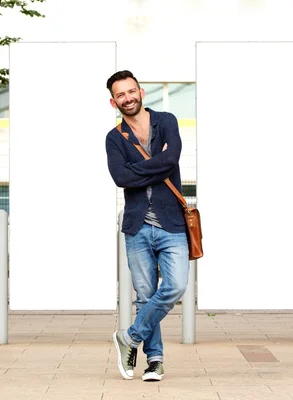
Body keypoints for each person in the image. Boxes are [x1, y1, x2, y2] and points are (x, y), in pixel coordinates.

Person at [104, 70, 190, 382]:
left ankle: (130, 336)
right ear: (113, 101)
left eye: (131, 91)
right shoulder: (114, 138)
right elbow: (121, 179)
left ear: (141, 92)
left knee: (176, 286)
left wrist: (138, 169)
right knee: (144, 294)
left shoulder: (166, 121)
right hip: (137, 225)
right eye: (120, 95)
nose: (127, 98)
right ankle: (154, 361)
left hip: (172, 222)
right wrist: (157, 164)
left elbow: (173, 159)